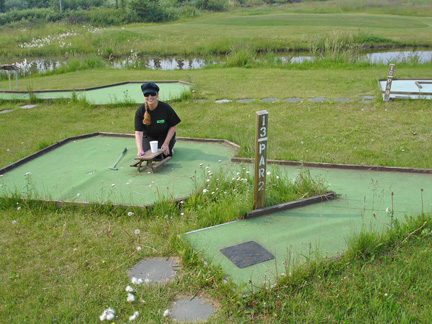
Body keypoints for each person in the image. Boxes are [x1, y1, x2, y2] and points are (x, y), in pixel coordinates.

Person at [134, 82, 181, 157]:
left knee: (163, 154)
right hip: (149, 137)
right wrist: (140, 149)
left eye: (153, 94)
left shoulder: (166, 108)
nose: (150, 97)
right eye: (146, 94)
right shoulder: (140, 111)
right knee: (148, 155)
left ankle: (170, 147)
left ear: (157, 94)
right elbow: (138, 132)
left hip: (164, 136)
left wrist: (166, 144)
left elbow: (173, 126)